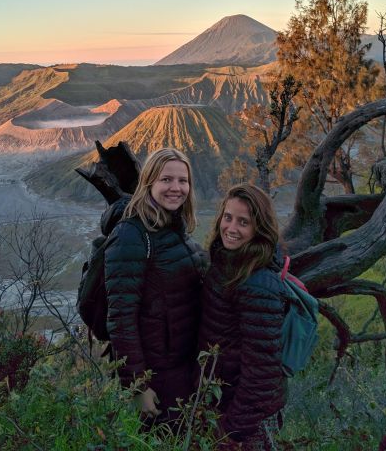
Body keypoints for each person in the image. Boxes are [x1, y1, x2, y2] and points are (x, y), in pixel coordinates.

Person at [102, 147, 205, 426]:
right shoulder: (131, 236)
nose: (176, 188)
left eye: (182, 181)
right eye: (166, 180)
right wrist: (138, 386)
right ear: (148, 183)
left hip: (184, 368)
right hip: (157, 376)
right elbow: (121, 319)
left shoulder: (176, 229)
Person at [199, 183, 287, 450]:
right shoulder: (226, 263)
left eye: (243, 222)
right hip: (224, 404)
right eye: (228, 218)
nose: (231, 228)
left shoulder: (258, 283)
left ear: (258, 229)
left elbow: (262, 373)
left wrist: (231, 431)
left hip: (247, 419)